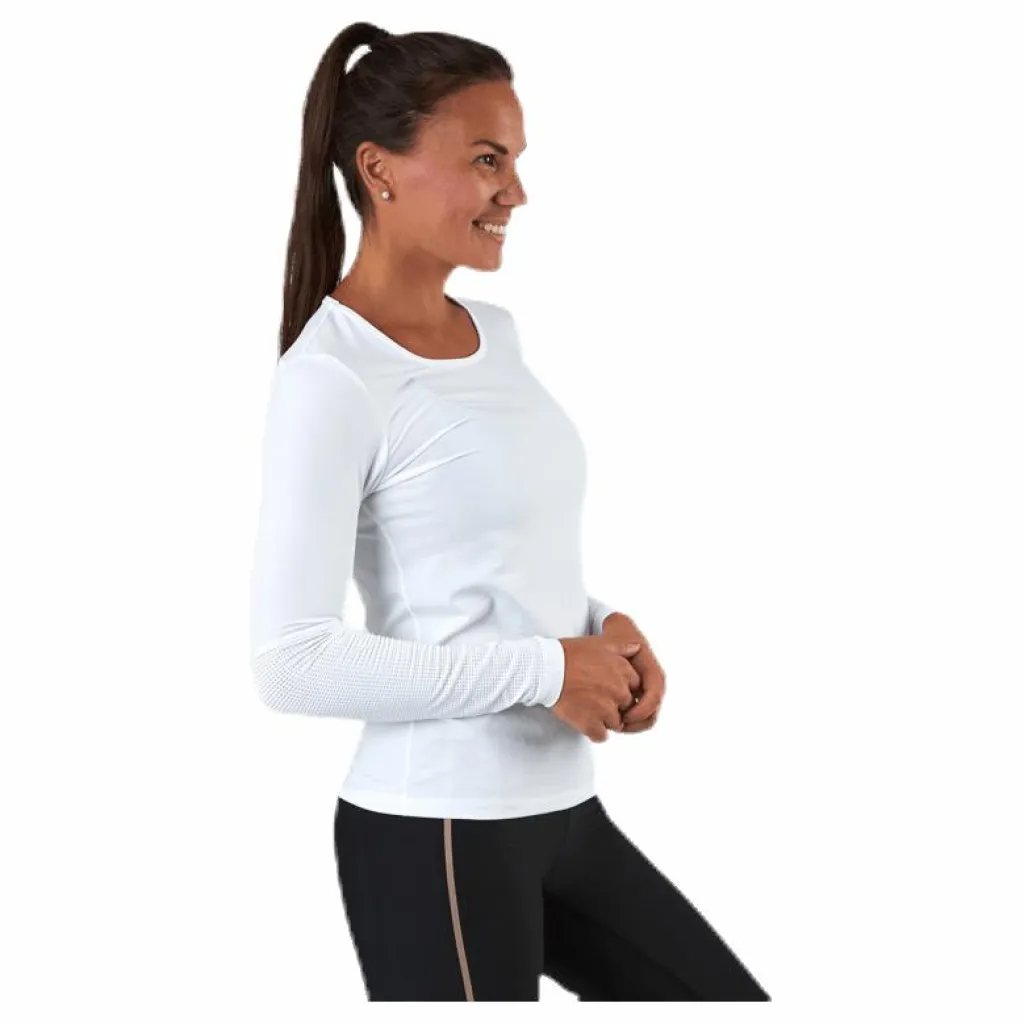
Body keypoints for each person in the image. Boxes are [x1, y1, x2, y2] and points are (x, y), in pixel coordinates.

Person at [248, 20, 771, 1003]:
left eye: (516, 161)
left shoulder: (494, 334)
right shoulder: (332, 378)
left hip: (564, 811)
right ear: (379, 169)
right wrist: (549, 669)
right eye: (486, 159)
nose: (516, 192)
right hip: (436, 827)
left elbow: (495, 563)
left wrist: (601, 633)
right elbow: (291, 660)